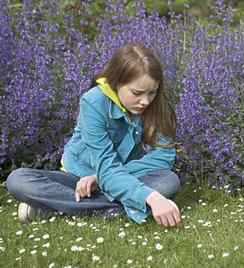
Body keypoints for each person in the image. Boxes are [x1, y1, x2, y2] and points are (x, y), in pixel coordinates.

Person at [6, 44, 182, 228]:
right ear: (116, 82)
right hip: (79, 178)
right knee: (18, 180)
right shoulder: (93, 102)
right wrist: (151, 197)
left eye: (152, 92)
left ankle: (57, 207)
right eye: (137, 93)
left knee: (168, 181)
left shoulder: (158, 105)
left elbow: (163, 158)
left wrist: (100, 179)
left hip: (122, 175)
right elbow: (106, 166)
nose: (145, 101)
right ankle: (118, 208)